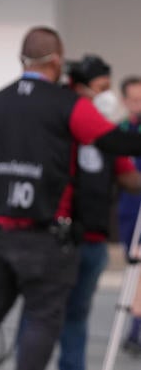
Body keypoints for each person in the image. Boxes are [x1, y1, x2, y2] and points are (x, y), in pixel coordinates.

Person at [0, 27, 141, 370]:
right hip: (45, 234)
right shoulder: (69, 105)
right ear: (57, 60)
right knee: (42, 317)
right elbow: (114, 144)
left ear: (23, 59)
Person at [43, 55, 140, 370]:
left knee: (76, 316)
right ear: (81, 88)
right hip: (58, 237)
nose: (106, 96)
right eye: (102, 88)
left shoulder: (109, 135)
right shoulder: (59, 128)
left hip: (93, 238)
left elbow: (128, 176)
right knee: (43, 315)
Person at [117, 74, 141, 356]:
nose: (138, 105)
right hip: (129, 210)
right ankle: (136, 329)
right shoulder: (120, 131)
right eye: (133, 99)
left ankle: (137, 330)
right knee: (134, 269)